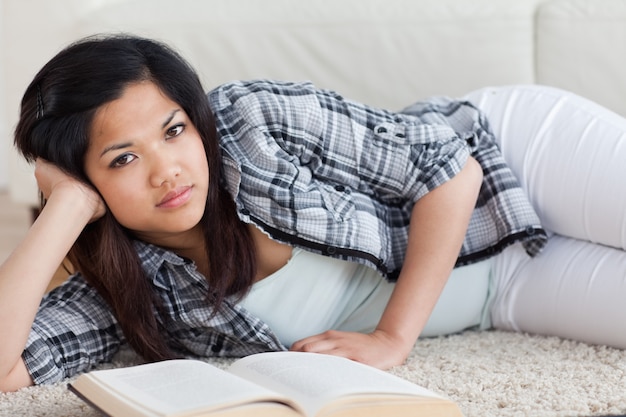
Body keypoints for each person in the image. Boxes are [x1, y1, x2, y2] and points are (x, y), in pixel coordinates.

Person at [0, 34, 622, 393]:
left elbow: (448, 168)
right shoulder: (131, 283)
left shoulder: (254, 123)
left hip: (513, 158)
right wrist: (66, 209)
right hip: (505, 292)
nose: (167, 170)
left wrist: (392, 338)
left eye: (173, 129)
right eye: (122, 159)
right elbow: (7, 369)